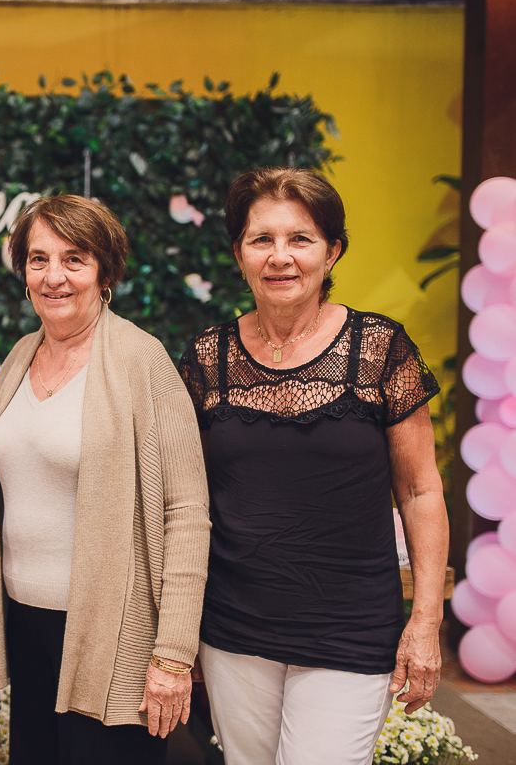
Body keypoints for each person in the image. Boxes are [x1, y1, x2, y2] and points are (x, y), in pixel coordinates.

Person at [180, 168, 449, 765]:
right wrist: (179, 631)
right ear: (239, 255)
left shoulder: (380, 348)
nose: (280, 257)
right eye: (262, 239)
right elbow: (188, 499)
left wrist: (425, 621)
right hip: (234, 626)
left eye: (300, 239)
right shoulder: (207, 358)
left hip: (350, 626)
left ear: (332, 252)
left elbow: (421, 490)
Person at [0, 195, 210, 765]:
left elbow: (187, 513)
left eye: (74, 259)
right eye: (38, 259)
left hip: (114, 635)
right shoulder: (18, 358)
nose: (53, 276)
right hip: (26, 625)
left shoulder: (142, 361)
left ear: (104, 273)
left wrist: (174, 654)